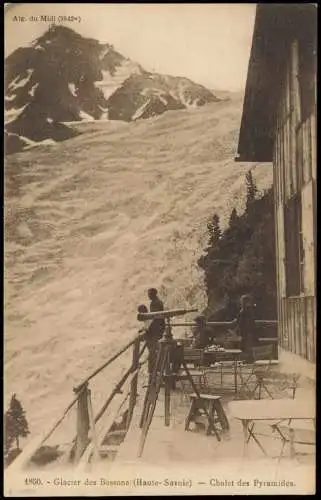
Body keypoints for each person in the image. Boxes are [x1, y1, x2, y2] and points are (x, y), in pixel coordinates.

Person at [235, 294, 258, 362]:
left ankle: (250, 359)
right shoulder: (246, 310)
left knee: (248, 345)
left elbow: (248, 321)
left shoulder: (246, 310)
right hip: (245, 331)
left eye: (242, 301)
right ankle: (248, 359)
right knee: (245, 345)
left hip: (247, 331)